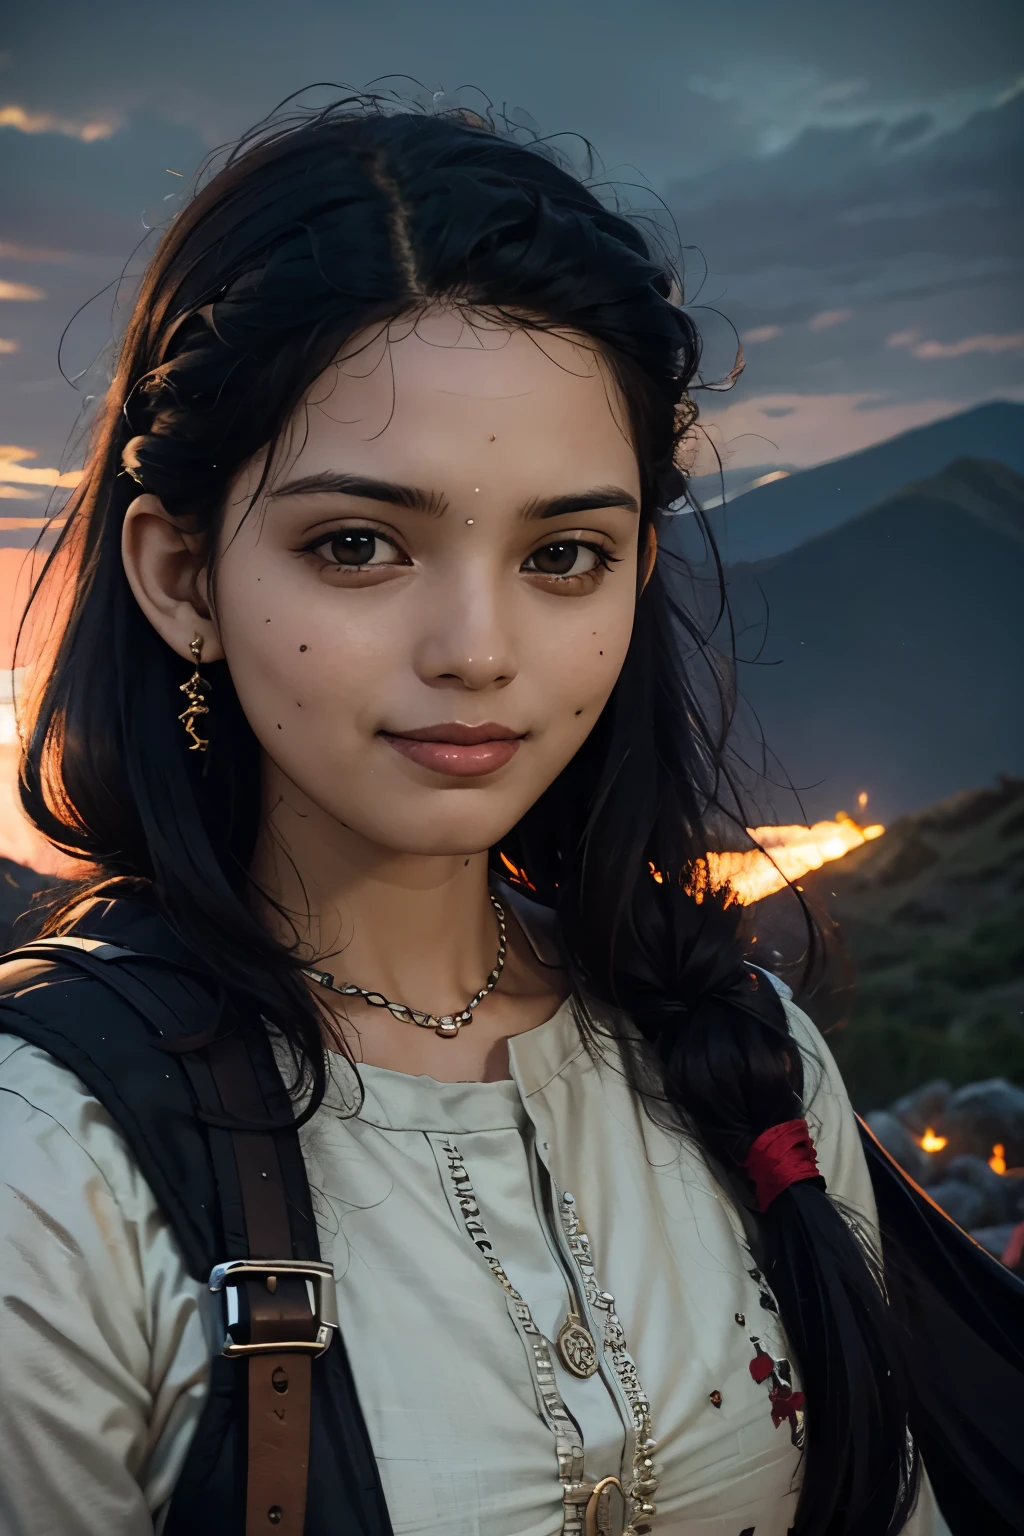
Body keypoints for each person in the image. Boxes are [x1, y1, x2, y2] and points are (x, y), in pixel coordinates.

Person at [0, 93, 1011, 1536]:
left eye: (565, 555)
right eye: (358, 545)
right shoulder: (52, 1161)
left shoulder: (739, 1051)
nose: (478, 648)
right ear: (179, 578)